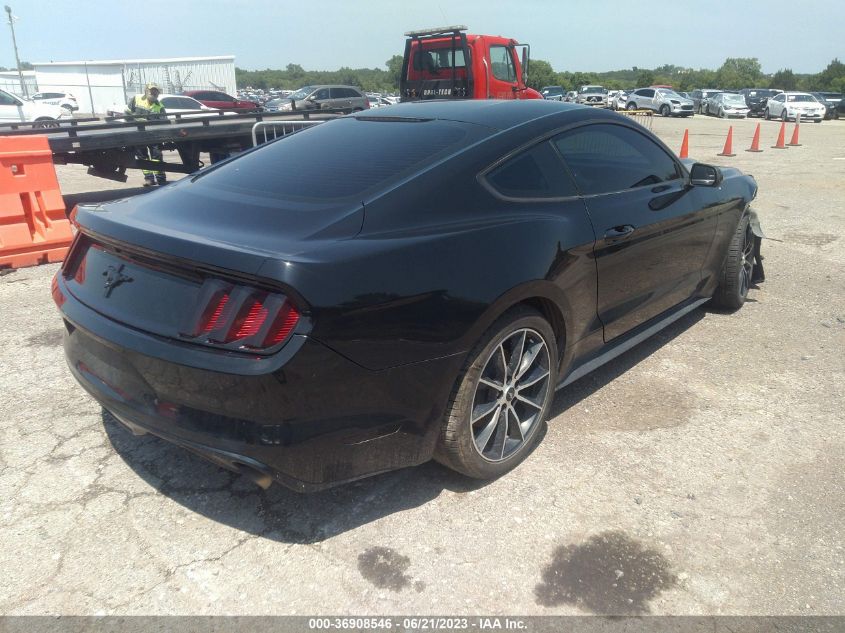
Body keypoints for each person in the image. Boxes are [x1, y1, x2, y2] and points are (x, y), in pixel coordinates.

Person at [126, 82, 167, 186]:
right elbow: (127, 113)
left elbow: (164, 122)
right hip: (138, 134)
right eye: (152, 90)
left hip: (154, 136)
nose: (153, 93)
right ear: (146, 90)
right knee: (142, 157)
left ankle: (161, 179)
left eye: (156, 91)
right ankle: (149, 179)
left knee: (157, 157)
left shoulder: (159, 106)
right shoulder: (136, 99)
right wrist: (133, 124)